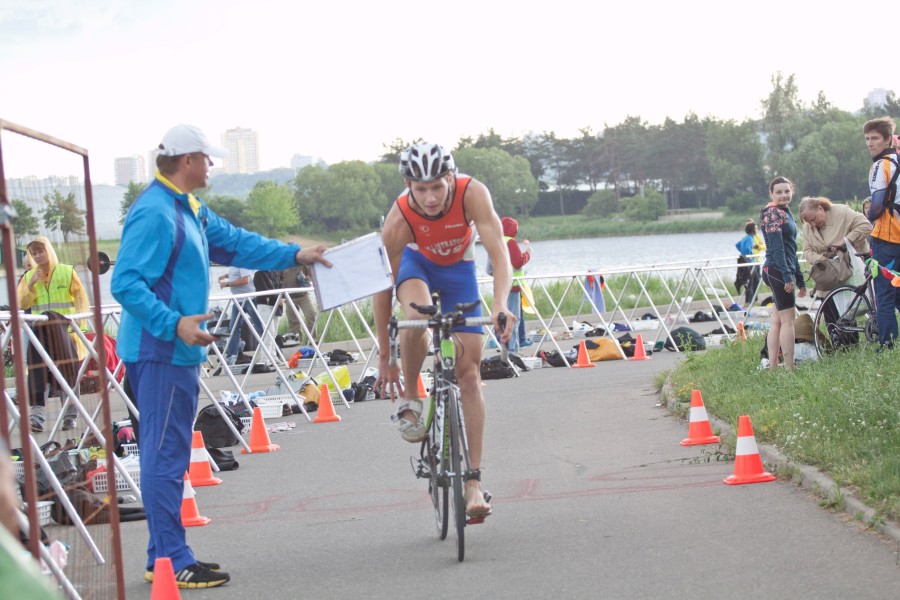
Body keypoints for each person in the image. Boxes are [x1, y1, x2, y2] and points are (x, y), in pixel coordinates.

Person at [110, 123, 329, 588]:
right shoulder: (154, 212)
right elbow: (125, 282)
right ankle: (172, 556)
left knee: (166, 452)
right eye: (207, 158)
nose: (211, 166)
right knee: (165, 455)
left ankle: (162, 557)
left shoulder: (186, 207)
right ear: (187, 160)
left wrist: (296, 254)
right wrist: (174, 323)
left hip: (176, 351)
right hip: (161, 350)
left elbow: (237, 243)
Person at [373, 142, 515, 520]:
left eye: (438, 186)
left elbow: (500, 255)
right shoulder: (400, 217)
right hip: (417, 267)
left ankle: (473, 483)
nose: (431, 197)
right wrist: (385, 356)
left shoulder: (473, 194)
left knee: (470, 377)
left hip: (458, 271)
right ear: (408, 185)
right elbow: (382, 285)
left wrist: (500, 304)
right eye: (421, 189)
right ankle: (410, 395)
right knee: (416, 316)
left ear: (451, 177)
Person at [16, 236, 89, 432]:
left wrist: (78, 328)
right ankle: (37, 417)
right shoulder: (28, 276)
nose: (38, 256)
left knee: (68, 372)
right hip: (39, 333)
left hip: (65, 331)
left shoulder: (67, 272)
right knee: (36, 371)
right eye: (34, 253)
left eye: (41, 251)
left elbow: (82, 299)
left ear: (49, 250)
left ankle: (70, 415)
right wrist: (30, 285)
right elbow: (21, 305)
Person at [760, 176, 807, 369]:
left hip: (779, 269)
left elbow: (791, 248)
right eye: (778, 192)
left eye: (787, 191)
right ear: (771, 194)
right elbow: (778, 248)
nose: (783, 195)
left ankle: (772, 366)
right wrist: (788, 276)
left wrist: (800, 278)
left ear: (792, 192)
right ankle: (789, 365)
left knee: (778, 320)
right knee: (788, 321)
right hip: (777, 270)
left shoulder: (785, 212)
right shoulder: (772, 213)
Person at [863, 117, 900, 347]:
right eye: (867, 139)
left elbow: (876, 207)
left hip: (886, 237)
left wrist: (868, 214)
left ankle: (888, 345)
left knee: (884, 295)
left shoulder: (881, 165)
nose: (869, 143)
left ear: (888, 139)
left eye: (874, 138)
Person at [217, 267, 262, 366]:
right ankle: (231, 356)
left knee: (260, 327)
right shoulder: (234, 263)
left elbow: (245, 279)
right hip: (237, 300)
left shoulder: (242, 263)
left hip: (248, 298)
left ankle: (271, 351)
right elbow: (237, 275)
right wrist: (226, 276)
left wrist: (227, 283)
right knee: (233, 328)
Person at [500, 217, 531, 354]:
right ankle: (513, 350)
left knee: (502, 317)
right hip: (513, 285)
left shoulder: (497, 242)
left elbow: (489, 269)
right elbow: (518, 262)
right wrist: (528, 254)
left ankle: (506, 347)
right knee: (514, 318)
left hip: (500, 285)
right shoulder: (510, 242)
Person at [280, 264, 319, 345]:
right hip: (289, 296)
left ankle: (312, 340)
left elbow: (311, 274)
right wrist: (281, 296)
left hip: (303, 295)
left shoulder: (302, 263)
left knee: (311, 315)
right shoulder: (282, 265)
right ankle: (296, 342)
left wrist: (306, 279)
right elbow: (277, 279)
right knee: (293, 321)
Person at [735, 220, 763, 305]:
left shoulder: (746, 237)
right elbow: (747, 249)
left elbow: (738, 245)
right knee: (753, 280)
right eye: (756, 229)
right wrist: (750, 255)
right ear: (752, 230)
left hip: (745, 260)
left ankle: (752, 300)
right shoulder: (750, 238)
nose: (757, 230)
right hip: (750, 261)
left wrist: (742, 252)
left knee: (753, 280)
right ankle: (750, 301)